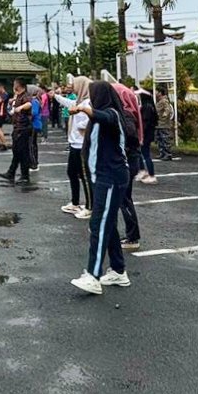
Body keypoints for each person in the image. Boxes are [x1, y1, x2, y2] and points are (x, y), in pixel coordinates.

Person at [69, 80, 132, 295]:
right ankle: (118, 270)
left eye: (93, 95)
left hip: (112, 177)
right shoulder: (98, 118)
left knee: (98, 224)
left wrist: (84, 109)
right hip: (101, 178)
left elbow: (103, 117)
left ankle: (93, 276)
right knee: (108, 223)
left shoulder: (112, 114)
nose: (91, 99)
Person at [110, 81, 145, 250]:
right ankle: (131, 234)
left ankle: (133, 237)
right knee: (124, 198)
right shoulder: (124, 112)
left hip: (128, 160)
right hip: (129, 159)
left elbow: (130, 136)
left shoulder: (126, 114)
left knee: (124, 199)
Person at [56, 76, 92, 219]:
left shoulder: (88, 103)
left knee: (84, 176)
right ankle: (75, 202)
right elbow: (68, 102)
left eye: (76, 85)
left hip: (82, 145)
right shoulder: (80, 101)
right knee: (72, 173)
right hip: (75, 144)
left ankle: (90, 207)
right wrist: (56, 96)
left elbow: (88, 122)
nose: (73, 87)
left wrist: (78, 120)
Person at [0, 79, 35, 184]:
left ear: (19, 85)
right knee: (16, 151)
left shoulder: (26, 95)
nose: (13, 86)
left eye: (15, 84)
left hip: (24, 128)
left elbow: (29, 104)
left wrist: (20, 107)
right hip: (17, 127)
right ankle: (11, 172)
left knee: (23, 153)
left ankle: (25, 176)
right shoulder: (18, 95)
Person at [136, 87, 159, 183]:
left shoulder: (147, 107)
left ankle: (151, 175)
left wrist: (140, 134)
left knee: (145, 154)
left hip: (145, 134)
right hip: (148, 134)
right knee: (141, 153)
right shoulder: (150, 106)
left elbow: (145, 123)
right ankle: (144, 171)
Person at [154, 86, 176, 161]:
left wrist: (165, 115)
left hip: (164, 124)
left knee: (165, 139)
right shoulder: (160, 101)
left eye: (157, 91)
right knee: (160, 139)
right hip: (159, 124)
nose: (155, 93)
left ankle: (168, 154)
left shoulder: (164, 101)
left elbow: (168, 109)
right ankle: (162, 153)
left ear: (160, 93)